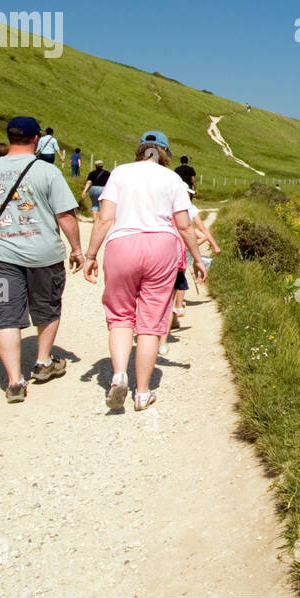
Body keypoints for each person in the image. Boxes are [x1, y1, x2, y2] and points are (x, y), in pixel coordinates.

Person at [84, 130, 206, 412]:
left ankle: (118, 375)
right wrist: (197, 259)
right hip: (161, 247)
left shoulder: (120, 173)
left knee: (120, 317)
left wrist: (90, 254)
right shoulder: (172, 179)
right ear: (164, 153)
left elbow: (105, 219)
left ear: (140, 150)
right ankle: (142, 392)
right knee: (151, 323)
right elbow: (185, 225)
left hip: (122, 244)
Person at [0, 116, 84, 404]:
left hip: (3, 258)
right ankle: (43, 363)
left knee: (5, 315)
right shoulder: (47, 172)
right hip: (44, 256)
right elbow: (65, 215)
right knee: (47, 306)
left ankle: (15, 381)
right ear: (36, 139)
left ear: (9, 136)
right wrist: (77, 249)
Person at [171, 199, 221, 327]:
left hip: (162, 252)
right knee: (180, 280)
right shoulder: (187, 214)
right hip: (179, 251)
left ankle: (172, 311)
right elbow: (201, 232)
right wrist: (190, 246)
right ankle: (178, 307)